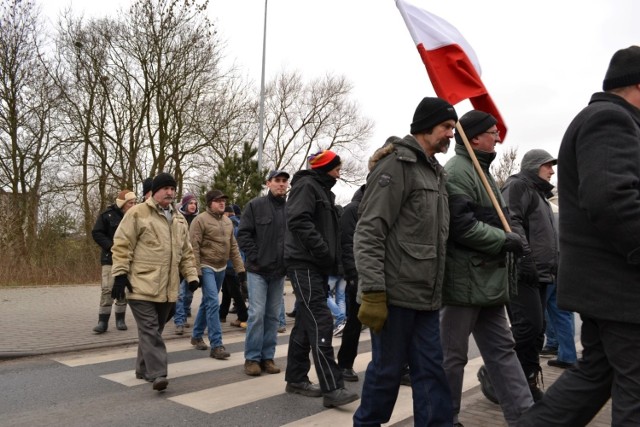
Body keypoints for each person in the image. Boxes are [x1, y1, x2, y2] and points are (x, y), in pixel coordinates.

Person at [518, 45, 640, 427]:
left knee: (593, 378)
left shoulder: (605, 118)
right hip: (619, 286)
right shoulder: (610, 119)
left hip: (607, 286)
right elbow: (610, 198)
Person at [353, 97, 457, 426]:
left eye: (452, 128)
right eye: (446, 127)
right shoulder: (396, 166)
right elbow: (369, 231)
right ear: (426, 127)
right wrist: (372, 291)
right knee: (387, 372)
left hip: (425, 297)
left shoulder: (436, 173)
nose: (451, 135)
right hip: (394, 295)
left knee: (431, 373)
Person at [440, 110, 533, 427]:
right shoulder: (457, 172)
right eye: (493, 132)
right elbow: (462, 227)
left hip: (489, 281)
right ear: (475, 137)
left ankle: (524, 417)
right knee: (452, 357)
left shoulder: (484, 173)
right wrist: (504, 240)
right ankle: (445, 418)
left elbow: (497, 219)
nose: (498, 136)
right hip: (464, 284)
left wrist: (514, 238)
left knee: (503, 351)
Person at [284, 150, 359, 408]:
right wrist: (322, 250)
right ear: (326, 167)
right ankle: (332, 387)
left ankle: (295, 378)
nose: (340, 171)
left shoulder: (322, 190)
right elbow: (297, 219)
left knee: (307, 322)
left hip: (314, 265)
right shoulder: (307, 186)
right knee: (322, 321)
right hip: (304, 263)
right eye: (337, 167)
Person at [482, 149, 559, 402]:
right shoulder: (518, 186)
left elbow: (546, 236)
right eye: (548, 165)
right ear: (535, 166)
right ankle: (495, 373)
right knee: (528, 327)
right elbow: (510, 222)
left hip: (542, 274)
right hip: (522, 272)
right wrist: (524, 258)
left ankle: (525, 381)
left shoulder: (540, 194)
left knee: (538, 331)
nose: (552, 170)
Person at [110, 172, 199, 391]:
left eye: (172, 188)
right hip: (139, 284)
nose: (170, 192)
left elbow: (186, 252)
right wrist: (120, 275)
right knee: (150, 329)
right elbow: (122, 244)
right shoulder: (138, 213)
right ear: (155, 191)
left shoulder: (178, 219)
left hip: (167, 288)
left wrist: (192, 276)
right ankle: (158, 373)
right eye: (165, 188)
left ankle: (142, 368)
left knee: (153, 331)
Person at [237, 169, 290, 377]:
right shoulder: (255, 205)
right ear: (268, 183)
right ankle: (252, 358)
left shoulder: (289, 209)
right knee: (257, 314)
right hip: (258, 270)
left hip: (279, 272)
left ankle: (267, 357)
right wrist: (256, 255)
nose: (281, 184)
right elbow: (243, 234)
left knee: (272, 316)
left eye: (284, 181)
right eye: (277, 180)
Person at [189, 189, 246, 360]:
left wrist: (240, 270)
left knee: (208, 302)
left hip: (221, 267)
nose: (222, 203)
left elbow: (234, 248)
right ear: (209, 203)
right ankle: (217, 345)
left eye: (223, 200)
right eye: (217, 200)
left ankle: (197, 335)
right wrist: (196, 272)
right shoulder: (200, 220)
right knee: (213, 301)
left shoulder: (228, 222)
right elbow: (194, 247)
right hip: (206, 266)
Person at [91, 189, 137, 333]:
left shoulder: (136, 216)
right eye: (131, 203)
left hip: (128, 259)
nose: (133, 205)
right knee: (107, 289)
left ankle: (120, 319)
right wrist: (111, 246)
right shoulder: (107, 215)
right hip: (109, 258)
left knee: (123, 289)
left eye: (135, 202)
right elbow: (97, 233)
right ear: (123, 203)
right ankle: (102, 321)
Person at [540, 195, 578, 368]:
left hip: (543, 265)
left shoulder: (540, 208)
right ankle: (568, 355)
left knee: (536, 312)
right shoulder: (556, 211)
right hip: (561, 264)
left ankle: (526, 363)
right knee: (560, 312)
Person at [336, 184, 364, 382]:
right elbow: (347, 244)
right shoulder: (353, 210)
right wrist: (352, 275)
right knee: (355, 323)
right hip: (359, 275)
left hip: (384, 273)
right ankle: (345, 364)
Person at [219, 204, 248, 327]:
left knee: (235, 291)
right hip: (239, 262)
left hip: (230, 263)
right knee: (227, 289)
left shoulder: (229, 225)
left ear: (226, 214)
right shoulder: (241, 223)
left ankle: (243, 316)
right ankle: (222, 315)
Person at [174, 193, 198, 335]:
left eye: (195, 203)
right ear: (184, 205)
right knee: (180, 293)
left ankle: (185, 311)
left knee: (189, 293)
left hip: (193, 261)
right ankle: (179, 321)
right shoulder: (177, 220)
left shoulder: (198, 220)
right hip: (179, 261)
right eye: (190, 203)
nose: (193, 205)